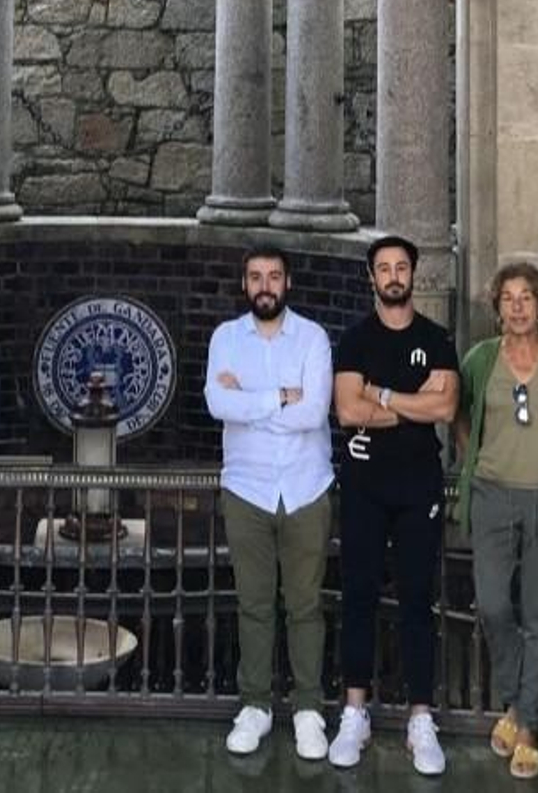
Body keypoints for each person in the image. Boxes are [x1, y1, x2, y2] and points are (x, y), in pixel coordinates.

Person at [330, 235, 460, 776]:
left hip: (418, 488)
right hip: (363, 485)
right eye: (383, 268)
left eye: (400, 267)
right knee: (357, 594)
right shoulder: (356, 340)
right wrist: (413, 404)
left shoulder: (436, 338)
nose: (392, 276)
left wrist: (381, 396)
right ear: (371, 278)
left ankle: (420, 719)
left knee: (415, 599)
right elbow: (346, 411)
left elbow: (448, 407)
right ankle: (354, 711)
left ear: (412, 274)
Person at [453, 263, 538, 780]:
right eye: (507, 298)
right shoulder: (480, 359)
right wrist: (473, 458)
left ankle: (527, 724)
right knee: (491, 603)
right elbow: (457, 411)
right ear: (497, 308)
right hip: (492, 495)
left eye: (526, 297)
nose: (517, 306)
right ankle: (516, 699)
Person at [205, 246, 334, 759]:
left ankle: (307, 709)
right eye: (256, 277)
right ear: (244, 285)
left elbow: (314, 412)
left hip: (306, 487)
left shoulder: (313, 337)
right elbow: (218, 404)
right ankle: (255, 705)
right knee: (254, 604)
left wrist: (251, 400)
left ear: (288, 284)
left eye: (274, 277)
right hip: (246, 488)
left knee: (305, 605)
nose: (265, 285)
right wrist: (282, 394)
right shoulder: (225, 338)